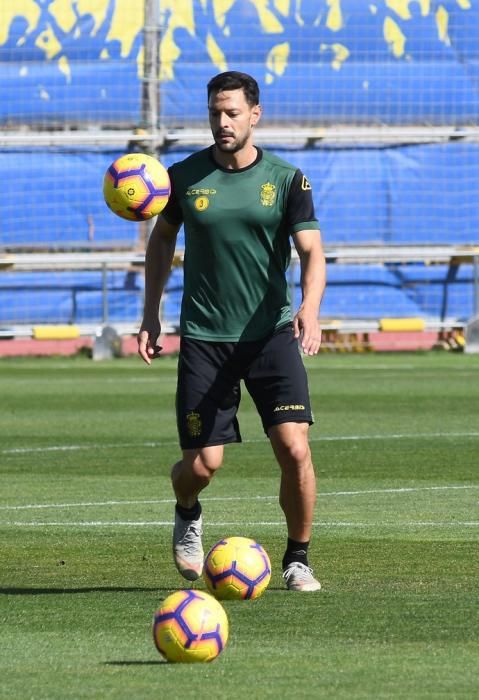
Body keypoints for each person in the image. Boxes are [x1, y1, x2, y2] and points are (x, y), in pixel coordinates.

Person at [137, 71, 326, 592]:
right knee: (202, 466)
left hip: (270, 335)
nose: (223, 122)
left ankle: (298, 559)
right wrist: (150, 313)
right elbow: (160, 246)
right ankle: (187, 509)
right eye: (215, 114)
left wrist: (309, 307)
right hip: (205, 338)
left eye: (232, 113)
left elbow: (312, 252)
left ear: (254, 115)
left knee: (294, 449)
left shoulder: (289, 179)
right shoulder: (183, 177)